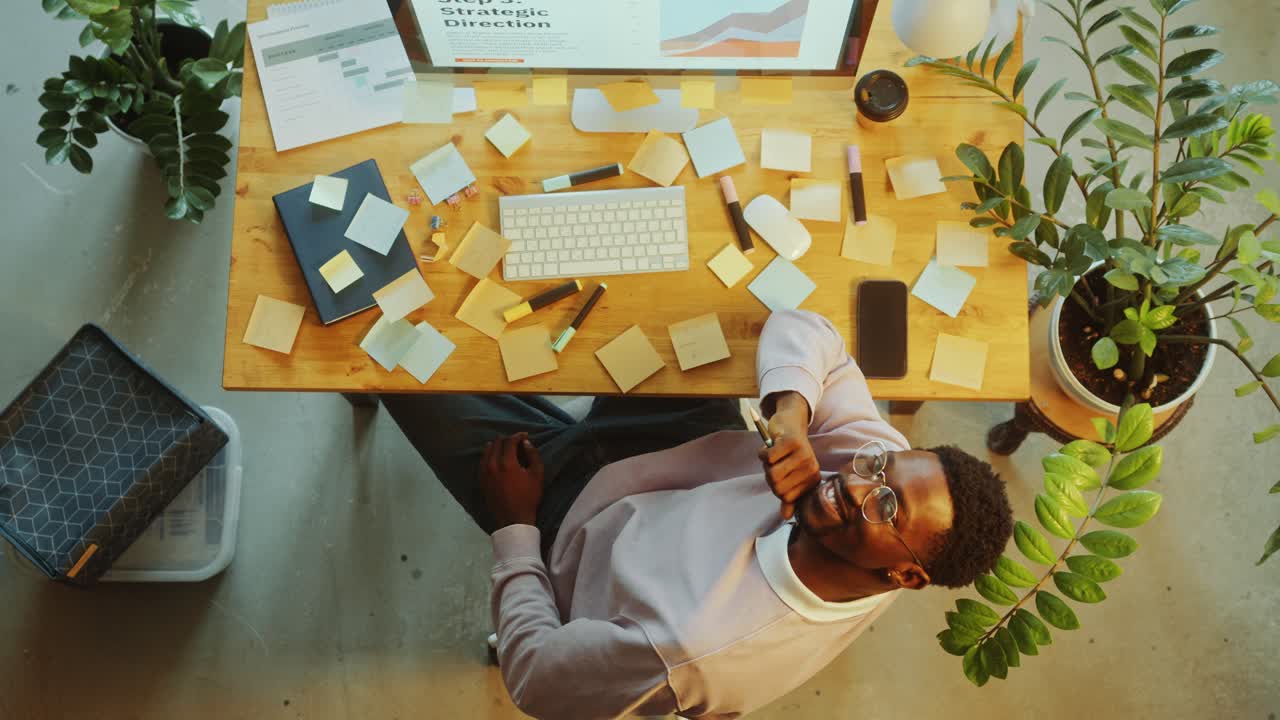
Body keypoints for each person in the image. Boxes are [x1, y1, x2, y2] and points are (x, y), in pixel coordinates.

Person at [382, 310, 1014, 719]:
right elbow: (811, 332)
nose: (852, 481)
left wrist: (514, 530)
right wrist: (791, 412)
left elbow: (538, 678)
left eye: (884, 504)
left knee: (392, 356)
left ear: (906, 578)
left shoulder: (693, 645)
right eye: (878, 467)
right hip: (678, 446)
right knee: (672, 304)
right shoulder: (883, 477)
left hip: (561, 513)